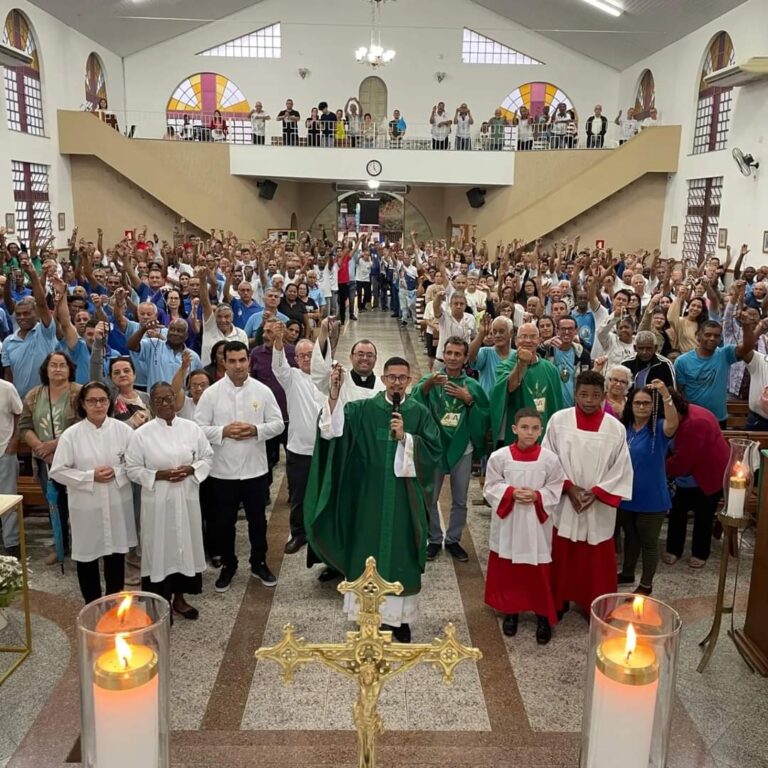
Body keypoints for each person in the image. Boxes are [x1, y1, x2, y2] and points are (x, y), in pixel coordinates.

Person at [304, 356, 442, 643]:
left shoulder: (418, 412)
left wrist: (407, 438)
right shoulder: (363, 409)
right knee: (367, 552)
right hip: (367, 496)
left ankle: (399, 620)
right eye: (391, 377)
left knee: (401, 552)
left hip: (404, 499)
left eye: (402, 378)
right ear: (383, 378)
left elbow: (434, 452)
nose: (396, 382)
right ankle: (366, 615)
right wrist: (333, 393)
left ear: (409, 381)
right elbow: (333, 428)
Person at [542, 371, 634, 618]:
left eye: (595, 395)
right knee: (562, 555)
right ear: (575, 394)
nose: (589, 401)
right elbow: (548, 459)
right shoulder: (558, 421)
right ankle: (558, 600)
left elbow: (621, 467)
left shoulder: (614, 428)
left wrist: (596, 493)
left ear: (603, 396)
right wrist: (569, 488)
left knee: (596, 560)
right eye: (583, 394)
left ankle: (593, 604)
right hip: (566, 499)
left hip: (597, 503)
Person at [195, 341, 284, 593]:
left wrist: (256, 430)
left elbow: (278, 424)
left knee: (258, 521)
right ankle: (229, 565)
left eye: (242, 360)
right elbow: (198, 429)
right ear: (224, 362)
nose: (237, 366)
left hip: (255, 470)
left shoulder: (262, 391)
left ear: (249, 361)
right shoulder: (211, 394)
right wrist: (223, 431)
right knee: (224, 522)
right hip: (222, 472)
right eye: (232, 361)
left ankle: (259, 562)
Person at [127, 382, 213, 620]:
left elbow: (207, 456)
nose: (165, 404)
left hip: (186, 498)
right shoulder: (141, 434)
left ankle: (180, 599)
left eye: (169, 398)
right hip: (158, 501)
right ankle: (159, 605)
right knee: (160, 550)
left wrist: (190, 470)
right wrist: (159, 475)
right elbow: (132, 468)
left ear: (176, 399)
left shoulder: (191, 428)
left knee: (184, 547)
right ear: (152, 404)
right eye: (159, 400)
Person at [484, 408, 566, 644]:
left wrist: (539, 496)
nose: (529, 433)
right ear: (514, 429)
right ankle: (512, 611)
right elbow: (491, 486)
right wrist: (509, 492)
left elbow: (556, 487)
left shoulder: (549, 459)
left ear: (541, 431)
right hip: (510, 521)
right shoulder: (500, 457)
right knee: (510, 569)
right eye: (524, 427)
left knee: (538, 569)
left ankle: (542, 615)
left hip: (536, 524)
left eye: (534, 428)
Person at [49, 383, 136, 603]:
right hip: (86, 505)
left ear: (110, 402)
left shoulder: (124, 430)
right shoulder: (72, 435)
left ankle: (113, 605)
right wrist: (89, 476)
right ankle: (93, 607)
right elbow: (58, 471)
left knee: (116, 555)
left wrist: (116, 471)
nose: (98, 405)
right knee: (87, 557)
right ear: (82, 404)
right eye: (92, 401)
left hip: (116, 502)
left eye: (103, 400)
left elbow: (135, 465)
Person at [412, 337, 490, 563]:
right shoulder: (431, 380)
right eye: (449, 353)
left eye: (458, 354)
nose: (453, 358)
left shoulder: (472, 386)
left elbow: (483, 417)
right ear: (442, 354)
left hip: (462, 449)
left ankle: (454, 539)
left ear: (466, 358)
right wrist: (426, 387)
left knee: (459, 498)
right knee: (430, 496)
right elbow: (416, 404)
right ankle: (434, 538)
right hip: (435, 448)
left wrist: (469, 401)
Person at [617, 381, 678, 595]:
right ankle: (627, 573)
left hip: (652, 497)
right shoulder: (624, 428)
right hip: (626, 495)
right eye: (637, 403)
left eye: (646, 403)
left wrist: (665, 395)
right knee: (630, 538)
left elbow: (673, 423)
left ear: (653, 406)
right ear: (630, 405)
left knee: (649, 543)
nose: (641, 407)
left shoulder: (659, 427)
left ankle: (646, 584)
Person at [20, 352, 81, 563]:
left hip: (74, 459)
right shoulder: (34, 395)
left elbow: (83, 426)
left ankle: (83, 545)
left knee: (79, 503)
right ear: (46, 369)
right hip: (44, 460)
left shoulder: (79, 392)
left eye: (62, 365)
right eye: (53, 365)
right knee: (54, 503)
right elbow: (24, 426)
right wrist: (40, 448)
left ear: (69, 368)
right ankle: (60, 544)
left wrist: (54, 446)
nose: (57, 369)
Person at [271, 327, 325, 555]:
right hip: (299, 448)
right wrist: (278, 340)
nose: (307, 359)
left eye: (311, 354)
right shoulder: (291, 376)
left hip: (324, 446)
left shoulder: (327, 376)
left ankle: (322, 533)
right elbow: (278, 364)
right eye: (302, 355)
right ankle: (298, 533)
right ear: (296, 358)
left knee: (323, 491)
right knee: (299, 495)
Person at [664, 390, 729, 568]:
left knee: (704, 515)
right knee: (677, 512)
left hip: (708, 475)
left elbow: (683, 461)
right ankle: (674, 549)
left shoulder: (695, 423)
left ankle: (700, 553)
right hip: (687, 476)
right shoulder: (682, 414)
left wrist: (657, 468)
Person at [491, 323, 563, 445]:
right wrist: (522, 363)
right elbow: (509, 388)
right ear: (516, 340)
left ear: (539, 340)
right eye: (523, 336)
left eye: (533, 336)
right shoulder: (505, 365)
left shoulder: (551, 369)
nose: (528, 340)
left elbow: (556, 405)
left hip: (543, 432)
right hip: (514, 433)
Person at [2, 258, 57, 399]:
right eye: (18, 314)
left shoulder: (45, 332)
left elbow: (42, 303)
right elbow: (8, 375)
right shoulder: (8, 342)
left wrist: (32, 274)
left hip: (46, 399)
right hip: (19, 402)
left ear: (37, 314)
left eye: (26, 313)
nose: (21, 317)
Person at [674, 320, 746, 427]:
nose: (712, 338)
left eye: (716, 336)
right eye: (708, 335)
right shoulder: (682, 361)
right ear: (698, 335)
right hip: (692, 418)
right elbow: (680, 393)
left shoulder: (725, 354)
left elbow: (747, 347)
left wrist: (753, 327)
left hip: (718, 419)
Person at [127, 317, 201, 391]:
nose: (175, 333)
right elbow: (131, 346)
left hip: (181, 400)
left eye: (179, 331)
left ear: (186, 335)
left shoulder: (193, 357)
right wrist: (143, 329)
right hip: (155, 400)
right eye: (172, 329)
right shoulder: (153, 345)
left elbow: (197, 381)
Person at [0, 378, 23, 558]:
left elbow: (19, 414)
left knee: (8, 497)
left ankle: (12, 542)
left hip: (4, 449)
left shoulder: (7, 388)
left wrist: (14, 440)